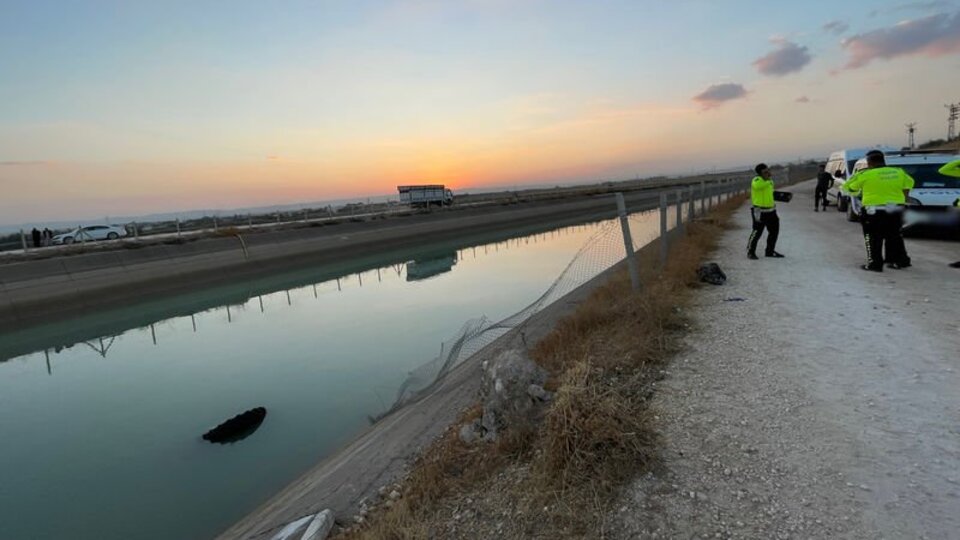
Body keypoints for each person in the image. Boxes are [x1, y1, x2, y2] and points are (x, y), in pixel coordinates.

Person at [841, 150, 914, 272]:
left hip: (873, 211)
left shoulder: (865, 175)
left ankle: (875, 264)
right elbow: (909, 184)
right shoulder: (899, 172)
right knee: (894, 236)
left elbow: (847, 188)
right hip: (895, 209)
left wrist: (856, 178)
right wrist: (903, 198)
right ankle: (897, 261)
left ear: (869, 163)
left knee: (872, 238)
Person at [747, 162, 784, 260]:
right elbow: (759, 186)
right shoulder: (756, 180)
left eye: (768, 170)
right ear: (760, 172)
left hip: (771, 211)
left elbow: (770, 192)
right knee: (757, 232)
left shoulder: (769, 181)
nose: (768, 172)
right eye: (765, 171)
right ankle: (751, 252)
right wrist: (767, 179)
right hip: (759, 211)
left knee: (774, 231)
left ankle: (770, 251)